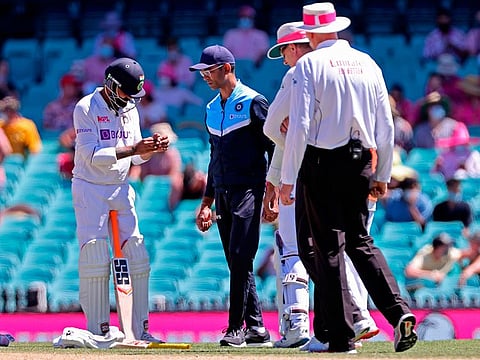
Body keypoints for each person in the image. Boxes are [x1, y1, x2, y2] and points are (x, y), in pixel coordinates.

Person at [279, 3, 417, 353]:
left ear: (309, 33)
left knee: (328, 250)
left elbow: (301, 126)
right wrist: (382, 172)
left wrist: (287, 175)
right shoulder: (367, 62)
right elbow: (386, 124)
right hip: (361, 161)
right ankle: (398, 310)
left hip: (322, 161)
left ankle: (340, 336)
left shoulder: (309, 64)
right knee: (360, 241)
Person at [263, 21, 379, 350]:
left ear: (297, 46)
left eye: (285, 50)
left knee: (299, 251)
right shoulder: (348, 73)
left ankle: (309, 322)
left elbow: (274, 129)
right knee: (344, 246)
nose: (284, 58)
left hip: (304, 178)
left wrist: (286, 171)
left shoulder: (299, 74)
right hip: (353, 170)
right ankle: (346, 321)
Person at [71, 57, 168, 343]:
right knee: (96, 254)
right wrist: (133, 149)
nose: (131, 100)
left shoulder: (130, 110)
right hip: (90, 187)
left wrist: (149, 149)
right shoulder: (86, 107)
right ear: (111, 85)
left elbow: (136, 156)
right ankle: (97, 330)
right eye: (127, 92)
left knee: (136, 252)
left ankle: (139, 330)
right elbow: (91, 156)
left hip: (121, 185)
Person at [190, 45, 275, 347]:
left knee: (241, 257)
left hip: (249, 190)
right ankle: (256, 328)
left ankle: (234, 328)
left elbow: (273, 149)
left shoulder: (254, 102)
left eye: (208, 71)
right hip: (224, 193)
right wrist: (206, 202)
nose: (204, 77)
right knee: (236, 261)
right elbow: (215, 158)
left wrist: (272, 190)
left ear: (227, 68)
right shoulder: (212, 108)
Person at [129, 122, 183, 211]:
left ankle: (171, 210)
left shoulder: (172, 154)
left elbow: (174, 173)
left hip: (166, 187)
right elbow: (142, 172)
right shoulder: (148, 155)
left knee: (177, 182)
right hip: (149, 187)